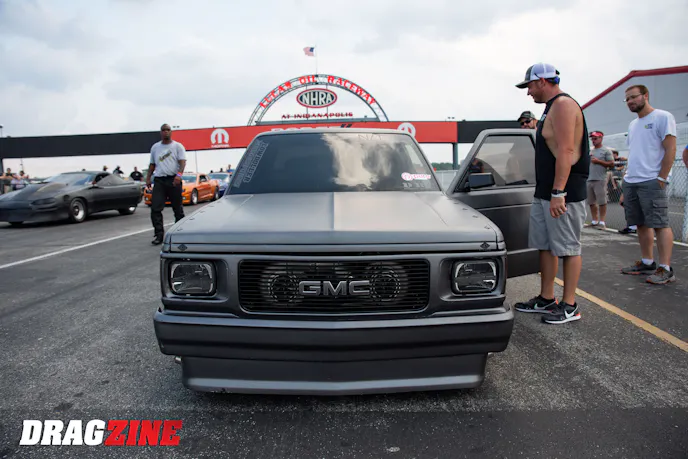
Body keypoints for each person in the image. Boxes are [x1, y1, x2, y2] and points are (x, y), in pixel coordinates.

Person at [513, 63, 590, 324]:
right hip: (546, 191)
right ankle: (547, 298)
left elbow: (567, 150)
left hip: (564, 192)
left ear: (542, 81)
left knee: (568, 248)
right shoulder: (550, 107)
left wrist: (559, 192)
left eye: (529, 86)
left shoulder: (564, 104)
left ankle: (570, 305)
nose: (528, 92)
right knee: (545, 246)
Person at [619, 85, 677, 284]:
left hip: (652, 180)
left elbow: (670, 149)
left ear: (645, 96)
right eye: (627, 99)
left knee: (660, 224)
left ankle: (666, 269)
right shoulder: (633, 125)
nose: (630, 102)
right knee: (640, 223)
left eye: (633, 97)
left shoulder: (662, 117)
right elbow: (634, 154)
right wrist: (625, 183)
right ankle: (647, 262)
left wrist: (662, 178)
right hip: (632, 181)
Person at [146, 124, 187, 245]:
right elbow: (152, 164)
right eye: (163, 130)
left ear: (171, 132)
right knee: (155, 208)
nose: (166, 132)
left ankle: (179, 234)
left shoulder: (177, 146)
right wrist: (148, 178)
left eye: (168, 130)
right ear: (160, 132)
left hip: (173, 180)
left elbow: (182, 162)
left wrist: (178, 176)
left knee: (177, 208)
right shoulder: (155, 147)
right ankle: (159, 235)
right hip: (160, 180)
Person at [586, 131, 615, 229]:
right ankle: (594, 220)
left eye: (595, 138)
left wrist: (598, 161)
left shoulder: (606, 151)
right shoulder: (590, 151)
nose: (593, 141)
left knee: (602, 201)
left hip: (600, 179)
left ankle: (602, 221)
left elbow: (611, 163)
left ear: (601, 138)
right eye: (592, 139)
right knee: (591, 201)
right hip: (589, 178)